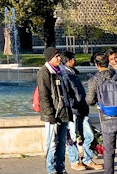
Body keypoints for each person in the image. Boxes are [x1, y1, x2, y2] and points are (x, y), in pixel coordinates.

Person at [60, 51, 102, 171]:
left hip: (82, 109)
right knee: (72, 138)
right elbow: (67, 94)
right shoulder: (64, 74)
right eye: (73, 58)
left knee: (88, 135)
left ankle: (87, 160)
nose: (75, 60)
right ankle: (74, 161)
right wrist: (75, 104)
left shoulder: (72, 72)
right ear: (68, 61)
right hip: (73, 111)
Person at [37, 46, 72, 174]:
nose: (59, 58)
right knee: (51, 143)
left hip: (63, 112)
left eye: (59, 56)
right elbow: (44, 95)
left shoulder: (59, 71)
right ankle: (51, 170)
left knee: (62, 142)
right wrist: (50, 114)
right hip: (52, 114)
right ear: (50, 58)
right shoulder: (44, 72)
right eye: (56, 56)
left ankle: (60, 168)